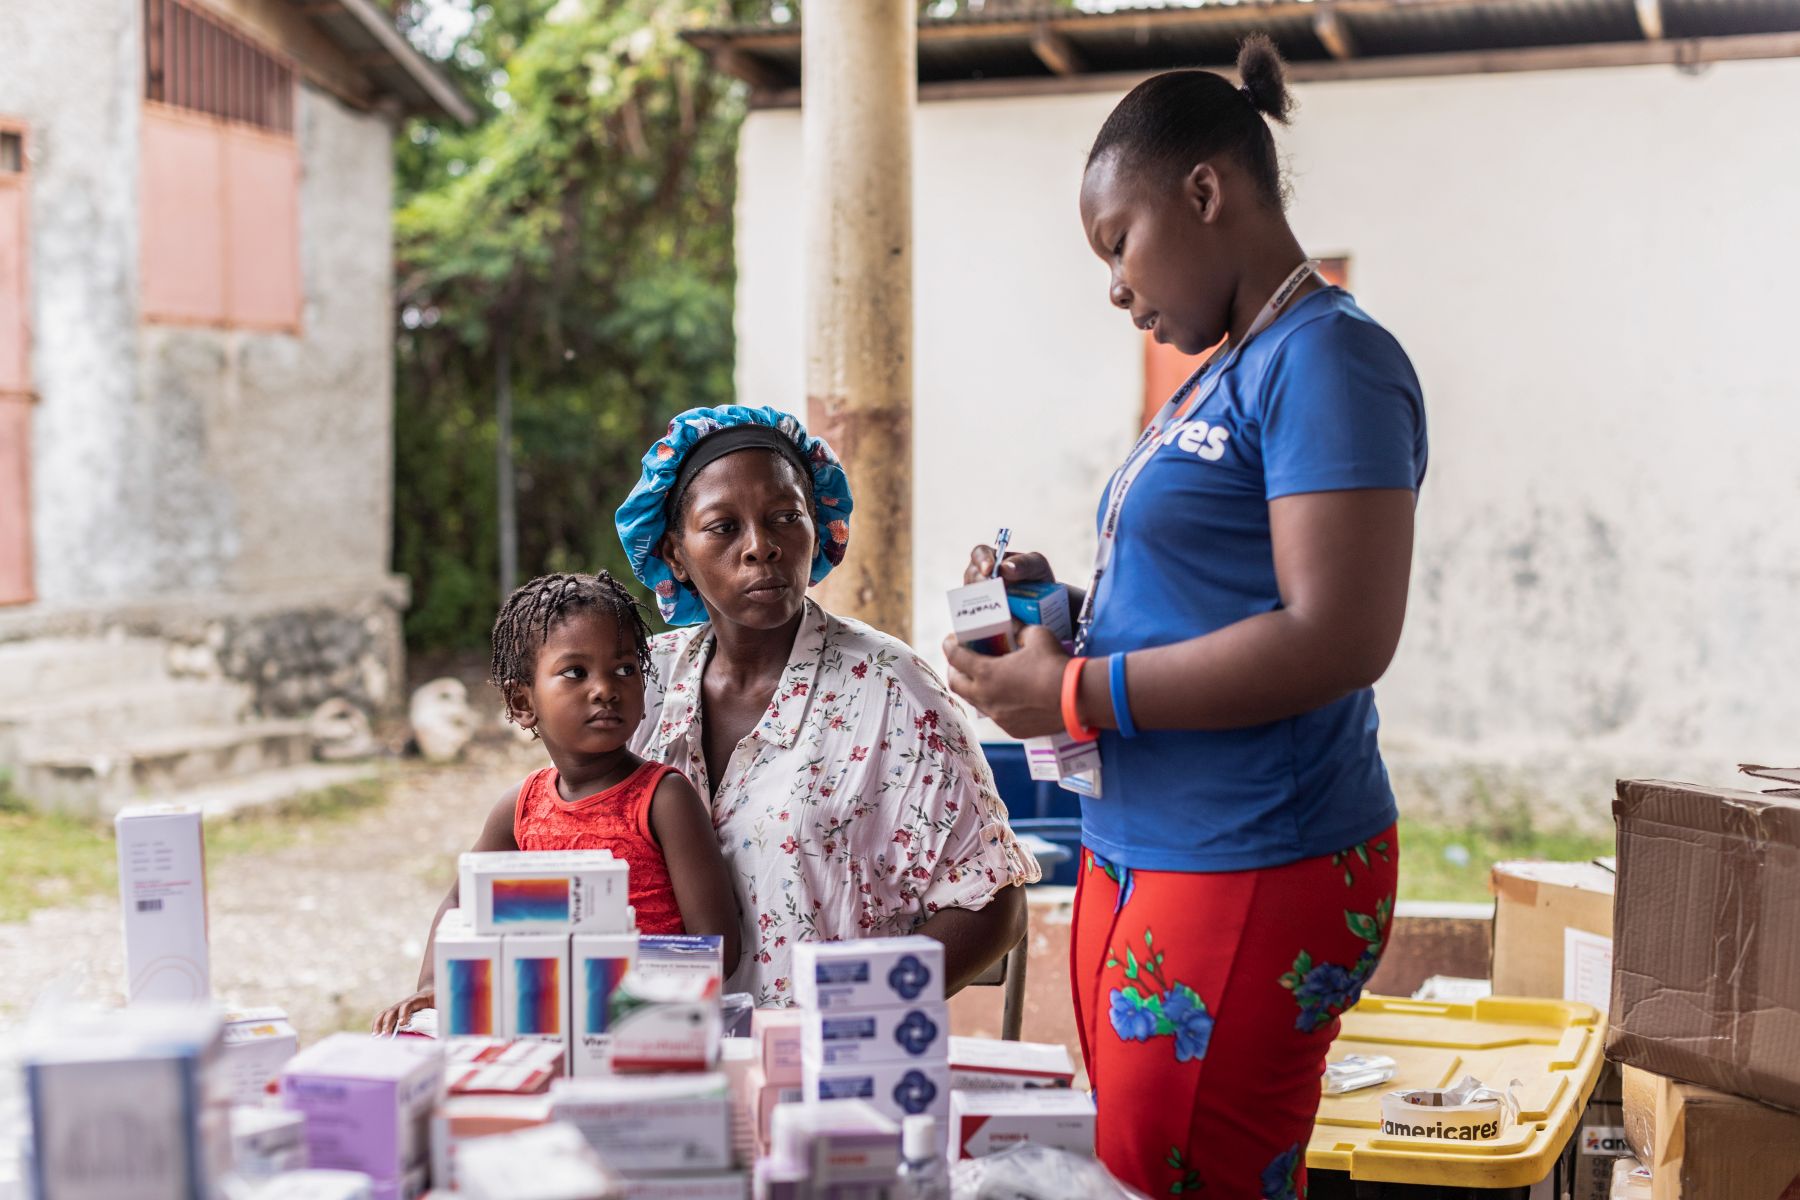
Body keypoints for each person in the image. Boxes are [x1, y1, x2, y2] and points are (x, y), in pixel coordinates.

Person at [941, 36, 1425, 1198]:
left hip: (1257, 846)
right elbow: (1203, 588)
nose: (1113, 284)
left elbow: (1337, 635)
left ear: (1205, 191)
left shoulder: (1329, 360)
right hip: (1150, 843)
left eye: (1118, 243)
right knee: (1142, 1167)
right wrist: (1059, 610)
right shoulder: (1224, 367)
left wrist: (1067, 692)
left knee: (1181, 1179)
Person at [615, 405, 1041, 1006]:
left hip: (831, 1078)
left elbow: (993, 903)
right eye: (723, 527)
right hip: (661, 1060)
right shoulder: (643, 684)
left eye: (785, 517)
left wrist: (856, 1016)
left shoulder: (891, 689)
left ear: (818, 527)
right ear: (674, 554)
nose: (760, 548)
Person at [372, 571, 739, 1034]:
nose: (605, 688)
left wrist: (606, 970)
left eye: (625, 669)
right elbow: (462, 899)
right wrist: (433, 983)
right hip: (542, 1023)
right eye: (575, 672)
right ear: (523, 702)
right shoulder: (519, 809)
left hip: (649, 1028)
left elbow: (719, 948)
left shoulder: (663, 799)